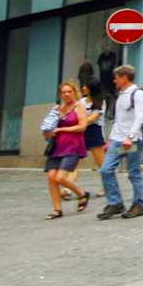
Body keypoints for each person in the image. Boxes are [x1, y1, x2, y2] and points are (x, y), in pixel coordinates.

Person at [97, 64, 143, 220]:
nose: (114, 81)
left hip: (132, 143)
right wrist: (110, 140)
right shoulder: (121, 94)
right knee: (105, 170)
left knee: (133, 173)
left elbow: (140, 117)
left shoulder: (138, 94)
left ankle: (138, 205)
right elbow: (118, 121)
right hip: (118, 141)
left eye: (117, 78)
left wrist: (130, 137)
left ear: (125, 77)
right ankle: (116, 203)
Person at [43, 81, 90, 220]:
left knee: (60, 178)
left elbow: (82, 126)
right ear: (60, 94)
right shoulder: (57, 109)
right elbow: (47, 127)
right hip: (56, 147)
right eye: (64, 92)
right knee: (52, 178)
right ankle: (57, 210)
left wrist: (62, 129)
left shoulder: (79, 107)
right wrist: (48, 133)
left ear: (75, 92)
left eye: (69, 91)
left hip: (73, 147)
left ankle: (81, 194)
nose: (67, 94)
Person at [80, 82, 107, 172]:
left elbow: (93, 118)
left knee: (101, 162)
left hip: (94, 132)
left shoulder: (100, 102)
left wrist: (80, 123)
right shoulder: (81, 101)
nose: (83, 88)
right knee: (73, 160)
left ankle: (107, 181)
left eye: (86, 86)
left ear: (91, 89)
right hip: (81, 131)